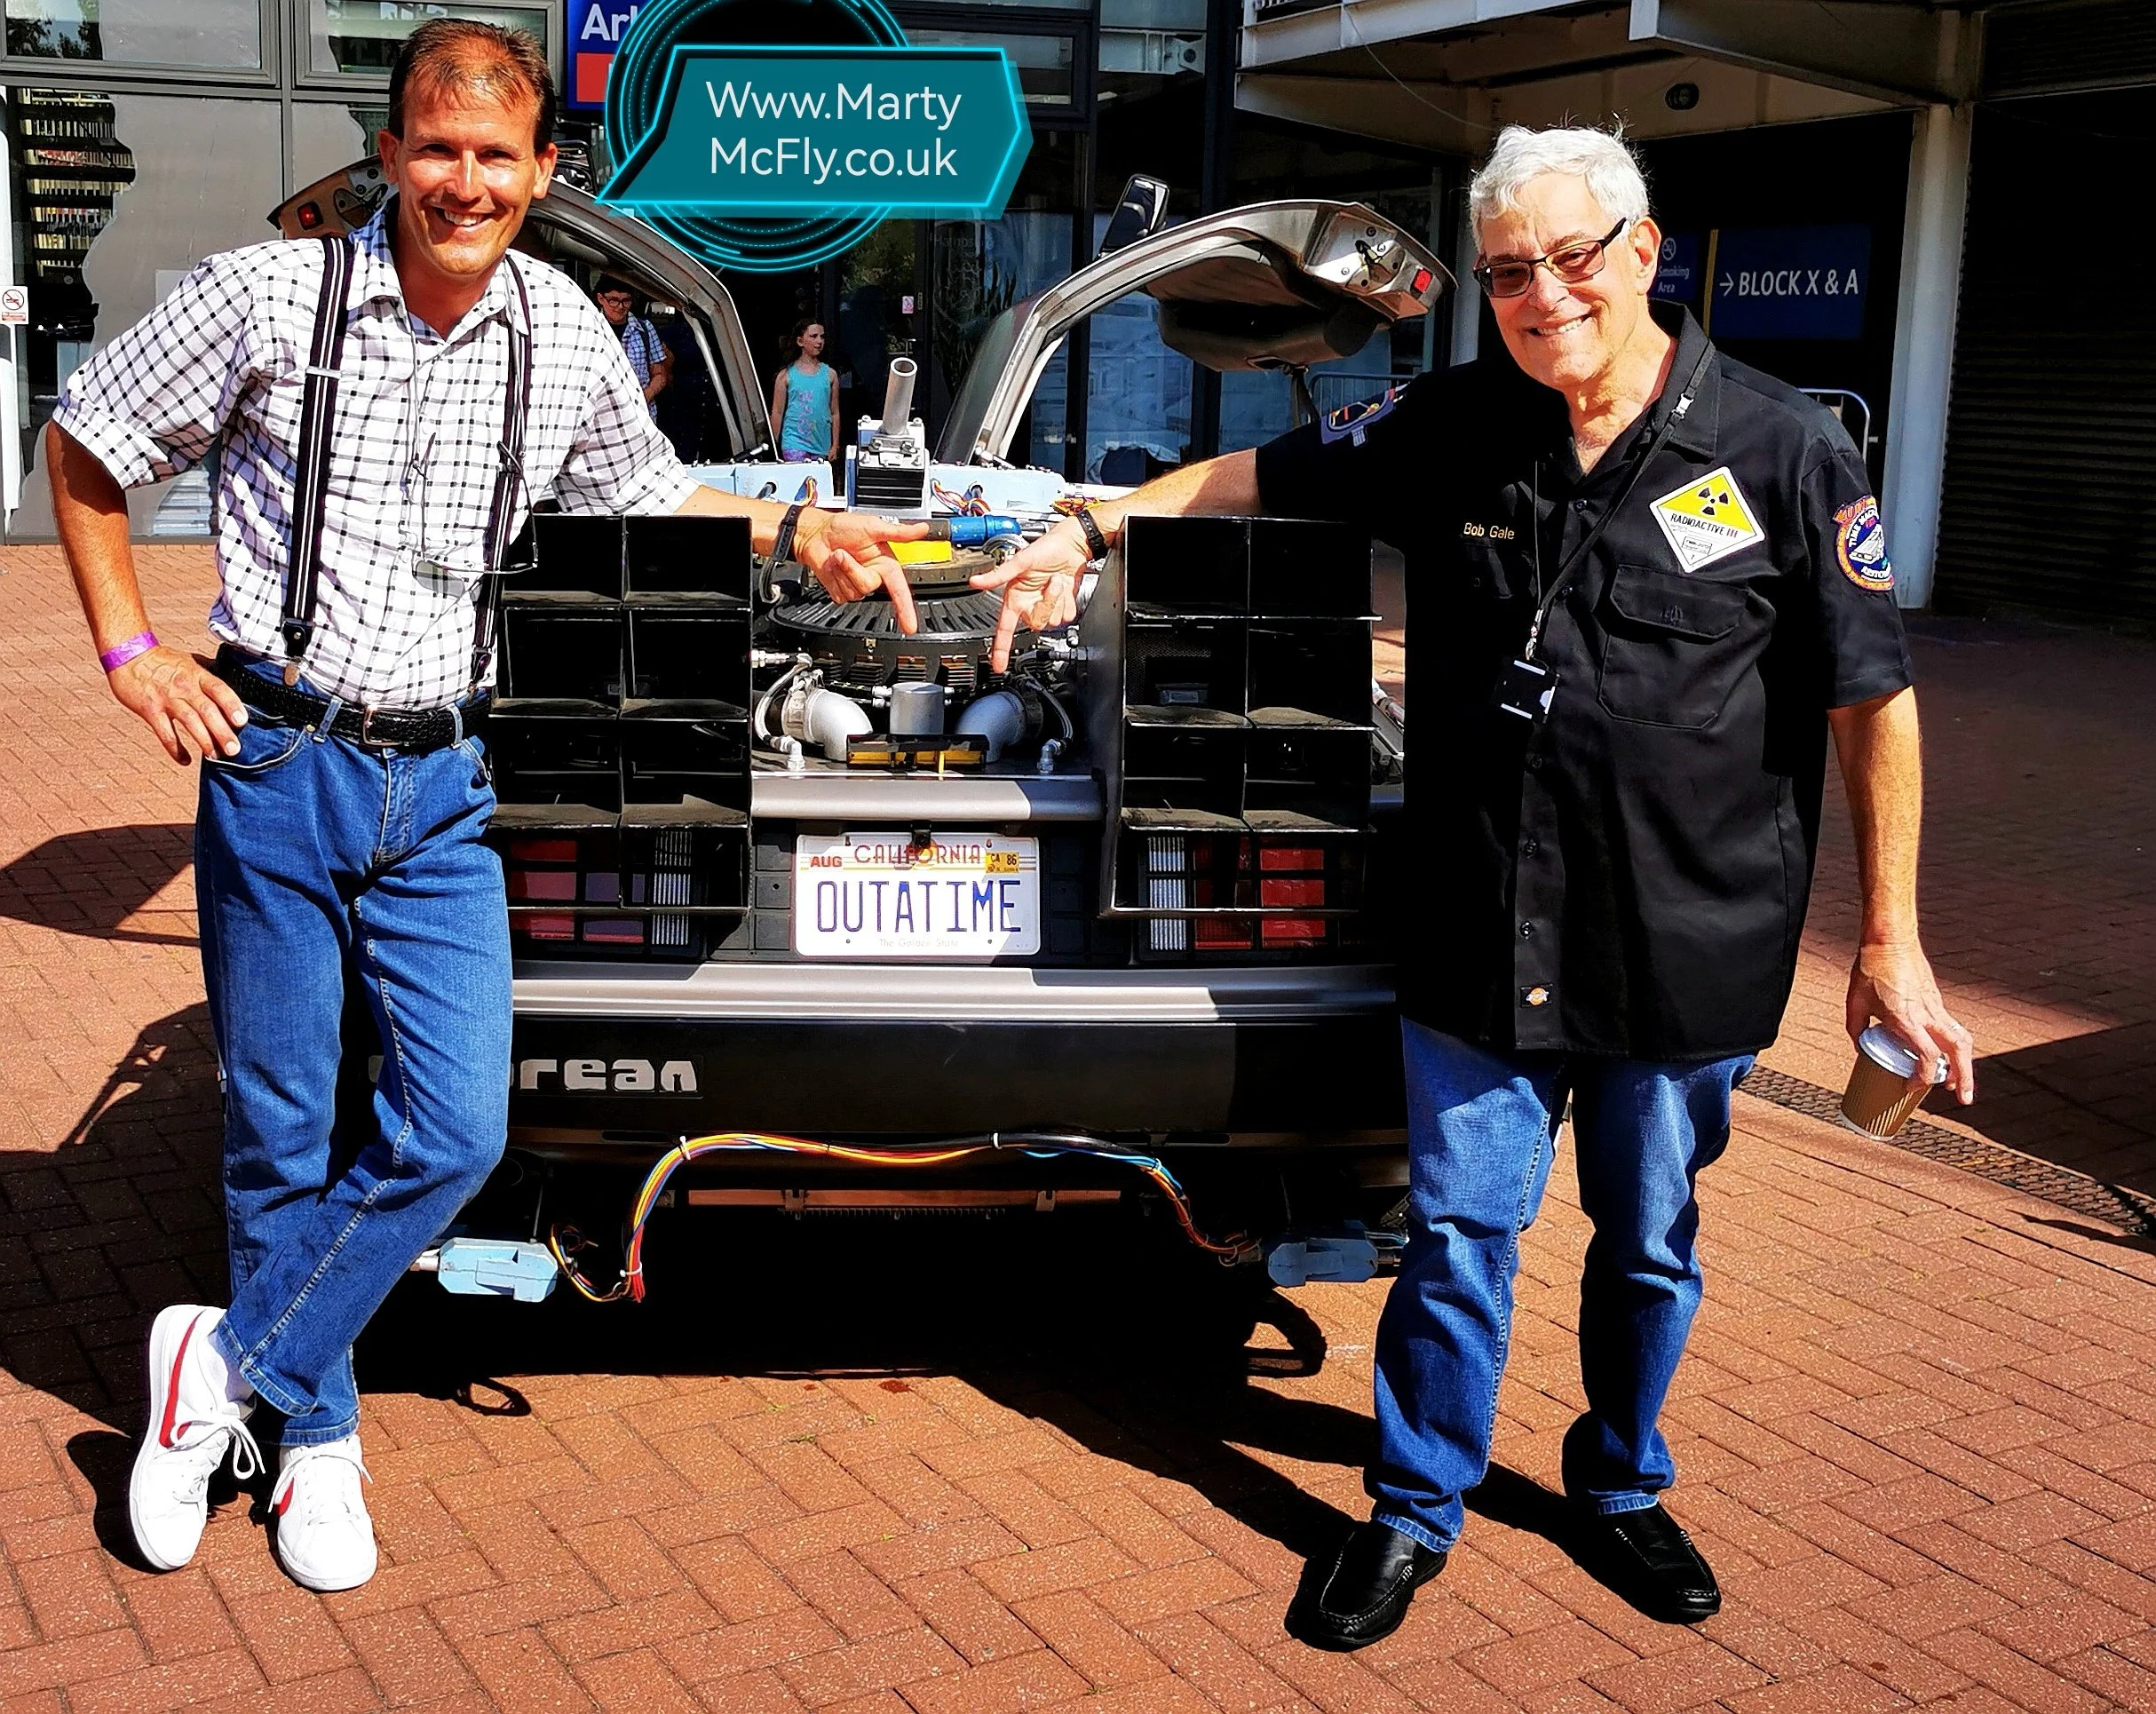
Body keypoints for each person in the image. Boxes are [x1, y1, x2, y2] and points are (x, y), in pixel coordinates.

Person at [978, 124, 1976, 1647]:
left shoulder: (1781, 450)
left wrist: (1892, 941)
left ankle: (1620, 1489)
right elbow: (1250, 473)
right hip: (1479, 927)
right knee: (1456, 1237)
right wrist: (1075, 522)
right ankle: (1410, 1509)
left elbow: (1870, 701)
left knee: (1648, 1241)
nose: (1538, 296)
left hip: (1684, 944)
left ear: (1642, 254)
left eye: (1568, 259)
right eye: (1508, 271)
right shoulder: (1449, 424)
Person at [48, 19, 923, 1593]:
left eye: (495, 156)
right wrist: (125, 651)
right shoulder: (268, 298)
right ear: (389, 155)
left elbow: (649, 500)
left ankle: (217, 1366)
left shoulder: (561, 332)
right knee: (279, 1131)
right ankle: (311, 1440)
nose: (464, 182)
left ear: (539, 171)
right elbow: (88, 447)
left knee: (455, 1125)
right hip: (281, 759)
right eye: (436, 149)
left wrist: (799, 531)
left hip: (445, 781)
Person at [595, 274, 669, 418]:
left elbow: (659, 374)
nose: (620, 307)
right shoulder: (590, 328)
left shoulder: (645, 329)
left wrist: (644, 397)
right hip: (602, 415)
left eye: (626, 301)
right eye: (613, 301)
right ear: (601, 299)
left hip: (641, 415)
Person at [771, 318, 839, 463]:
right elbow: (777, 412)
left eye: (822, 337)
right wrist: (773, 445)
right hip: (793, 443)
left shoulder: (830, 374)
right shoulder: (786, 375)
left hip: (821, 444)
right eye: (813, 336)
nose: (819, 341)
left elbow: (835, 412)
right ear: (800, 341)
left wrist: (835, 445)